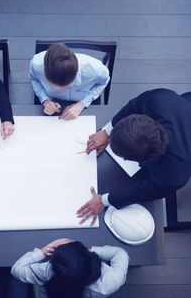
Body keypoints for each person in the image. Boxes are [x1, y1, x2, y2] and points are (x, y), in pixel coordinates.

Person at [77, 89, 191, 225]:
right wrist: (107, 132)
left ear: (141, 160)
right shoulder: (158, 99)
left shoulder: (173, 176)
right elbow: (135, 105)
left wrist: (104, 200)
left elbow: (144, 191)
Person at [11, 238, 129, 298]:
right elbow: (120, 253)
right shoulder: (110, 282)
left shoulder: (47, 270)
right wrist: (90, 250)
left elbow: (17, 269)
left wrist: (45, 250)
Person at [29, 43, 110, 120]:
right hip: (51, 100)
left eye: (66, 86)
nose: (59, 91)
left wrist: (82, 104)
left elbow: (103, 82)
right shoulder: (36, 64)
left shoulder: (96, 70)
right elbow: (33, 79)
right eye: (53, 87)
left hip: (84, 102)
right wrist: (45, 100)